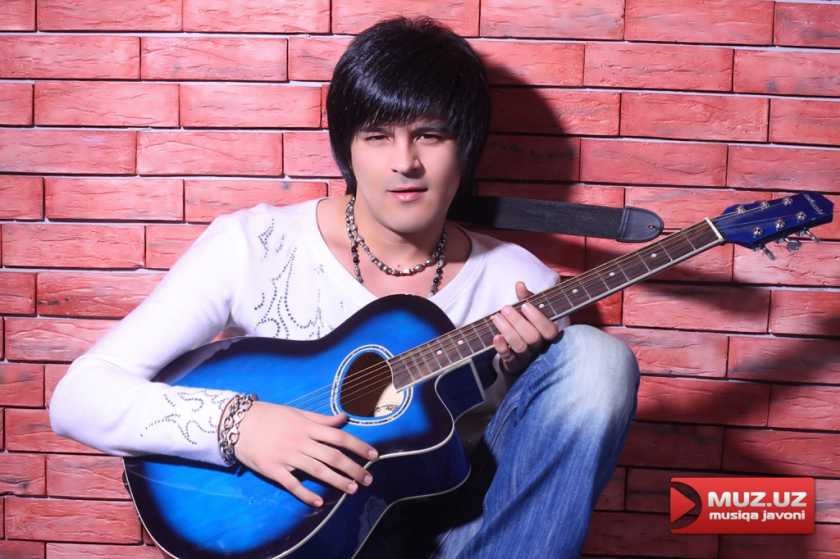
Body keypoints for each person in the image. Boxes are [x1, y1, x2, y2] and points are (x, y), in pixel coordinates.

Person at [49, 16, 640, 558]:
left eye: (430, 135)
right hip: (305, 537)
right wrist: (240, 425)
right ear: (347, 148)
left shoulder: (518, 284)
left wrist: (522, 375)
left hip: (454, 538)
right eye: (377, 136)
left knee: (595, 359)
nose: (404, 163)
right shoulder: (253, 244)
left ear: (465, 147)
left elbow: (528, 487)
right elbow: (80, 397)